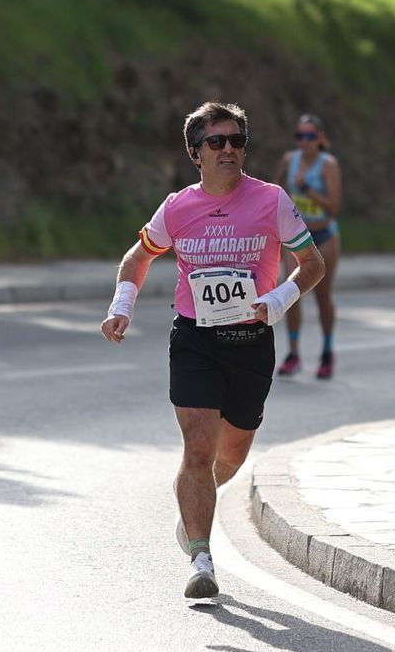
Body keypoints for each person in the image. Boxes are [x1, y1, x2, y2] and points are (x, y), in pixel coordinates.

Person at [100, 102, 325, 600]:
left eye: (237, 141)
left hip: (250, 340)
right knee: (198, 448)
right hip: (195, 339)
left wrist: (279, 299)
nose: (229, 149)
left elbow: (312, 263)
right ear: (194, 153)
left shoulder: (271, 200)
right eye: (217, 142)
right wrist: (123, 305)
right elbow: (139, 256)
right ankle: (201, 556)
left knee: (233, 452)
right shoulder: (178, 207)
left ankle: (193, 510)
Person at [274, 114, 342, 379]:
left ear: (320, 138)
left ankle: (327, 352)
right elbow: (274, 192)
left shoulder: (328, 165)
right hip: (296, 238)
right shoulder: (289, 161)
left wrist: (308, 190)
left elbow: (334, 206)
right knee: (291, 293)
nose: (304, 141)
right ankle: (293, 352)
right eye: (300, 136)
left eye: (310, 136)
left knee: (322, 296)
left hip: (324, 235)